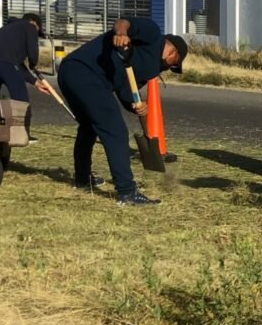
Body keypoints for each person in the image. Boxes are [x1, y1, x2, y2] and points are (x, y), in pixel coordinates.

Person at [57, 16, 188, 205]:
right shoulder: (153, 35)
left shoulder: (150, 70)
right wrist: (121, 33)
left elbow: (126, 91)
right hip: (83, 70)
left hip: (76, 75)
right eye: (175, 63)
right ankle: (127, 192)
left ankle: (82, 179)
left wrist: (137, 106)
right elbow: (123, 22)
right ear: (174, 52)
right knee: (116, 131)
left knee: (89, 127)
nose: (171, 67)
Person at [0, 12, 52, 141]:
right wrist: (33, 64)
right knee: (21, 99)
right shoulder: (30, 26)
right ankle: (23, 133)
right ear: (34, 23)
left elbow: (17, 64)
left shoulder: (5, 30)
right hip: (7, 65)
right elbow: (32, 53)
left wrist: (35, 82)